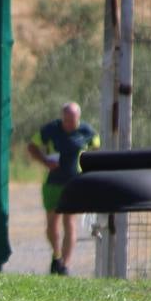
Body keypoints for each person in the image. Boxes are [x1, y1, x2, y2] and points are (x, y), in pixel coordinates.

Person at [26, 101, 99, 275]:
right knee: (52, 224)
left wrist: (89, 170)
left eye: (72, 120)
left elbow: (97, 149)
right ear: (62, 117)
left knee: (70, 222)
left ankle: (65, 265)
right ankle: (56, 255)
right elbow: (32, 146)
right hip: (52, 182)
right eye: (66, 120)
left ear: (78, 119)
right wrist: (44, 161)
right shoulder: (50, 130)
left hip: (74, 184)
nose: (68, 124)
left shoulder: (87, 132)